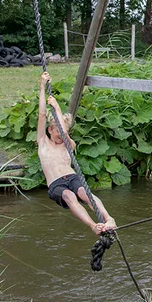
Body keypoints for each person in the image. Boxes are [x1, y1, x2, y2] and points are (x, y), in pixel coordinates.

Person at [37, 71, 116, 236]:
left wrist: (58, 107)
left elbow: (65, 132)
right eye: (57, 135)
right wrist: (43, 86)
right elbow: (42, 115)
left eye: (63, 134)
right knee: (69, 196)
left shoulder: (68, 144)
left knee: (84, 194)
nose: (61, 138)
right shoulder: (43, 143)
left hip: (72, 177)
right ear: (50, 130)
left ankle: (108, 219)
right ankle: (93, 225)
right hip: (56, 185)